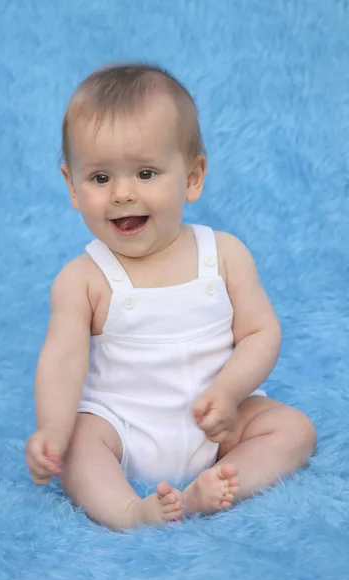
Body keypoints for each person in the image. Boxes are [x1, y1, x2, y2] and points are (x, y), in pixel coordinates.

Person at [25, 63, 317, 530]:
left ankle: (224, 483)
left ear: (193, 177)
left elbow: (261, 332)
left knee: (294, 430)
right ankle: (130, 511)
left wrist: (230, 391)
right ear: (72, 186)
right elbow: (62, 361)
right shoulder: (82, 278)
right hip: (122, 428)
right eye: (100, 178)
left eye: (145, 172)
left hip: (216, 423)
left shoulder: (223, 255)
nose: (122, 193)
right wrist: (53, 432)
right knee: (81, 445)